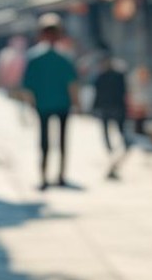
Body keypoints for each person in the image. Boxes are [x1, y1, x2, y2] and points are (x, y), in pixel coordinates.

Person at [23, 13, 79, 190]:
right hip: (62, 103)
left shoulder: (34, 57)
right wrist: (77, 104)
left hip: (43, 104)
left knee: (44, 141)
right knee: (62, 140)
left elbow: (27, 87)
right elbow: (72, 84)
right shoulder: (65, 56)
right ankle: (60, 175)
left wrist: (29, 105)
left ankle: (44, 175)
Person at [92, 55, 130, 180]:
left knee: (118, 134)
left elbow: (124, 92)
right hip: (111, 107)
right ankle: (112, 153)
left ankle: (114, 153)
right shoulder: (103, 76)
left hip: (114, 107)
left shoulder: (114, 76)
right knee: (109, 134)